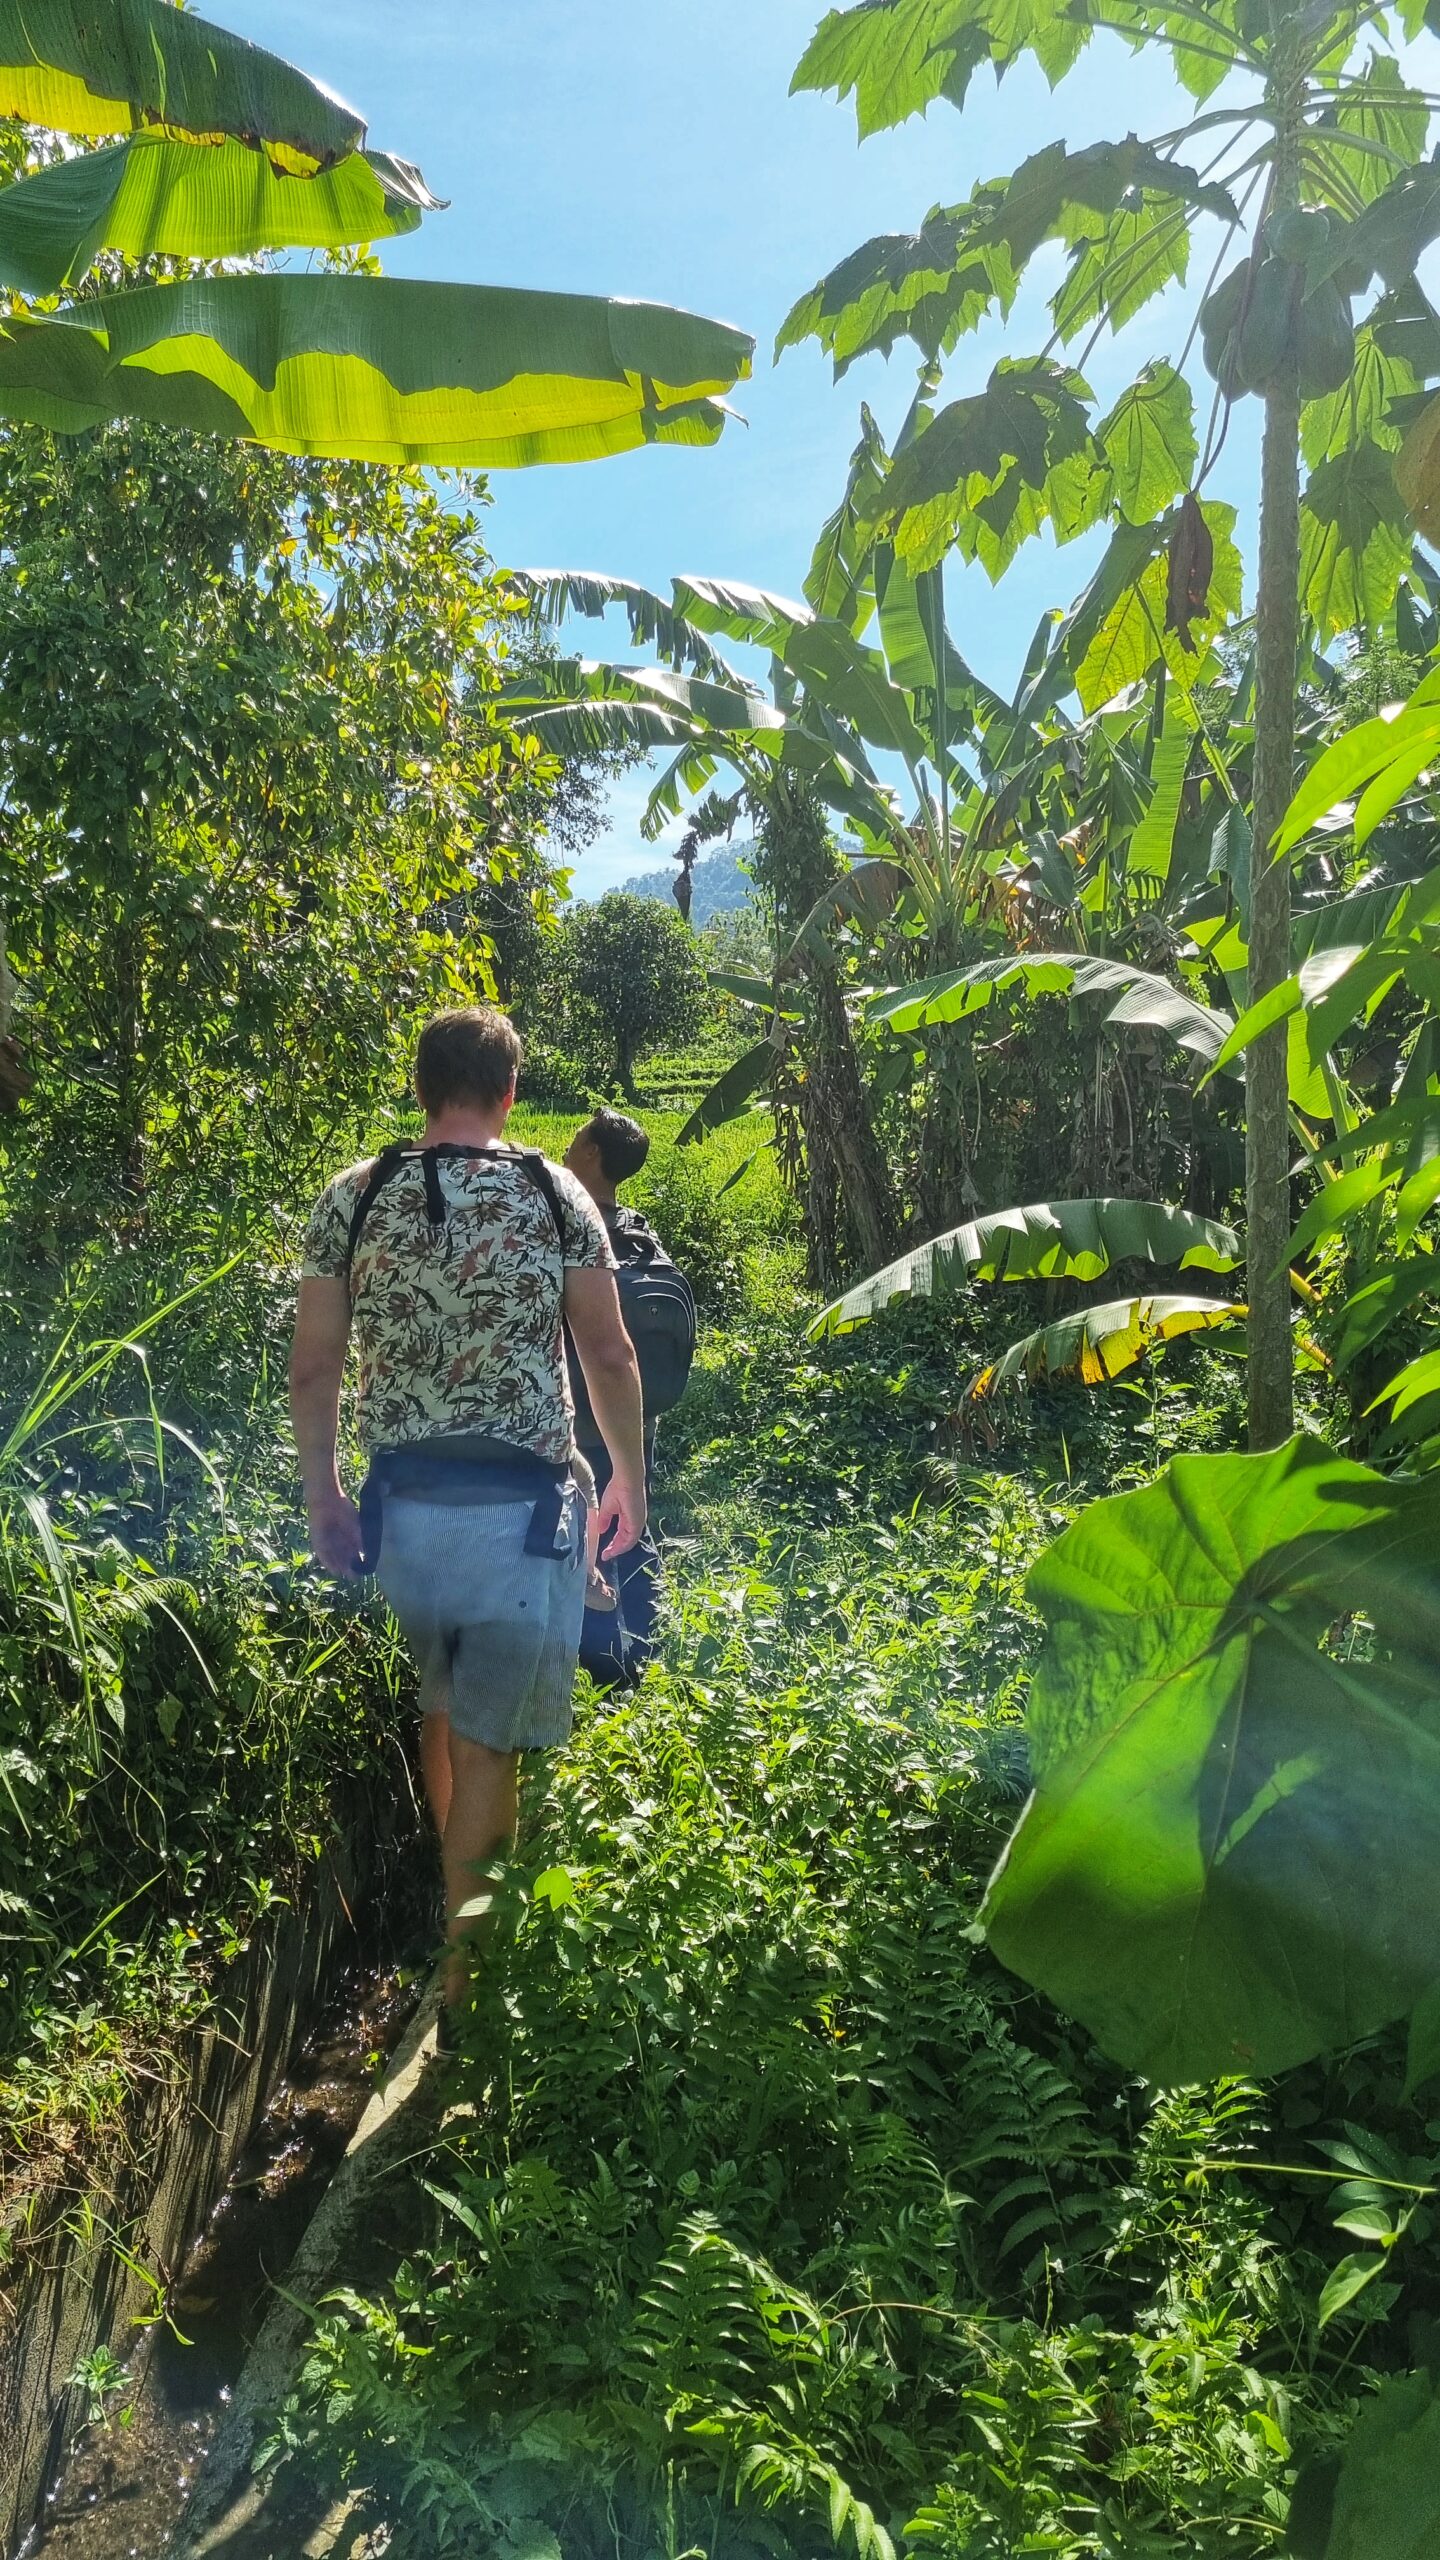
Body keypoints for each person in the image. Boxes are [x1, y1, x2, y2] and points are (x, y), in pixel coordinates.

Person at [289, 1008, 646, 2012]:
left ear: (419, 1086)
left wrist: (324, 1496)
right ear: (509, 1093)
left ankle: (455, 1919)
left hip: (402, 1512)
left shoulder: (352, 1197)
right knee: (492, 1740)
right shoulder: (554, 1189)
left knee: (442, 1705)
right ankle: (468, 1986)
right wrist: (630, 1480)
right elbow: (610, 1354)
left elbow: (315, 1366)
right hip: (521, 1516)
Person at [563, 1108, 677, 1683]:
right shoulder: (637, 1229)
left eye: (579, 1135)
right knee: (633, 1521)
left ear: (591, 1155)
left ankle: (610, 1672)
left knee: (591, 1537)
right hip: (636, 1410)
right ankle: (653, 1652)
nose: (570, 1141)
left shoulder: (569, 1226)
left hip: (584, 1415)